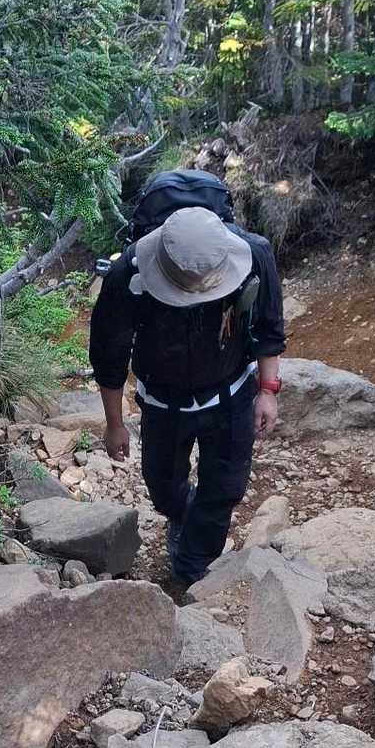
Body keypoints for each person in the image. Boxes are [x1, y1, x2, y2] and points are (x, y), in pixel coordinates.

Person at [90, 198, 285, 586]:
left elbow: (268, 326)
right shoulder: (127, 274)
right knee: (163, 488)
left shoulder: (254, 255)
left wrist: (267, 390)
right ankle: (181, 515)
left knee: (225, 488)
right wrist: (114, 424)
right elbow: (109, 358)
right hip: (163, 402)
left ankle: (193, 567)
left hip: (232, 393)